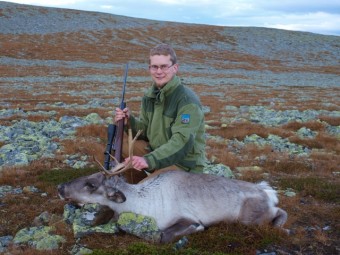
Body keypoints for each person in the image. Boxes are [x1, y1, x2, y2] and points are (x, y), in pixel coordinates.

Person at [115, 43, 206, 183]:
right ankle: (136, 183)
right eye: (154, 67)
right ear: (149, 68)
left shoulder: (187, 101)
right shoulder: (149, 96)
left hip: (182, 164)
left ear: (175, 68)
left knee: (146, 191)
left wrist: (148, 160)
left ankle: (143, 186)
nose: (159, 71)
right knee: (121, 142)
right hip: (157, 154)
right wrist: (129, 122)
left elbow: (182, 141)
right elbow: (145, 130)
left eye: (164, 66)